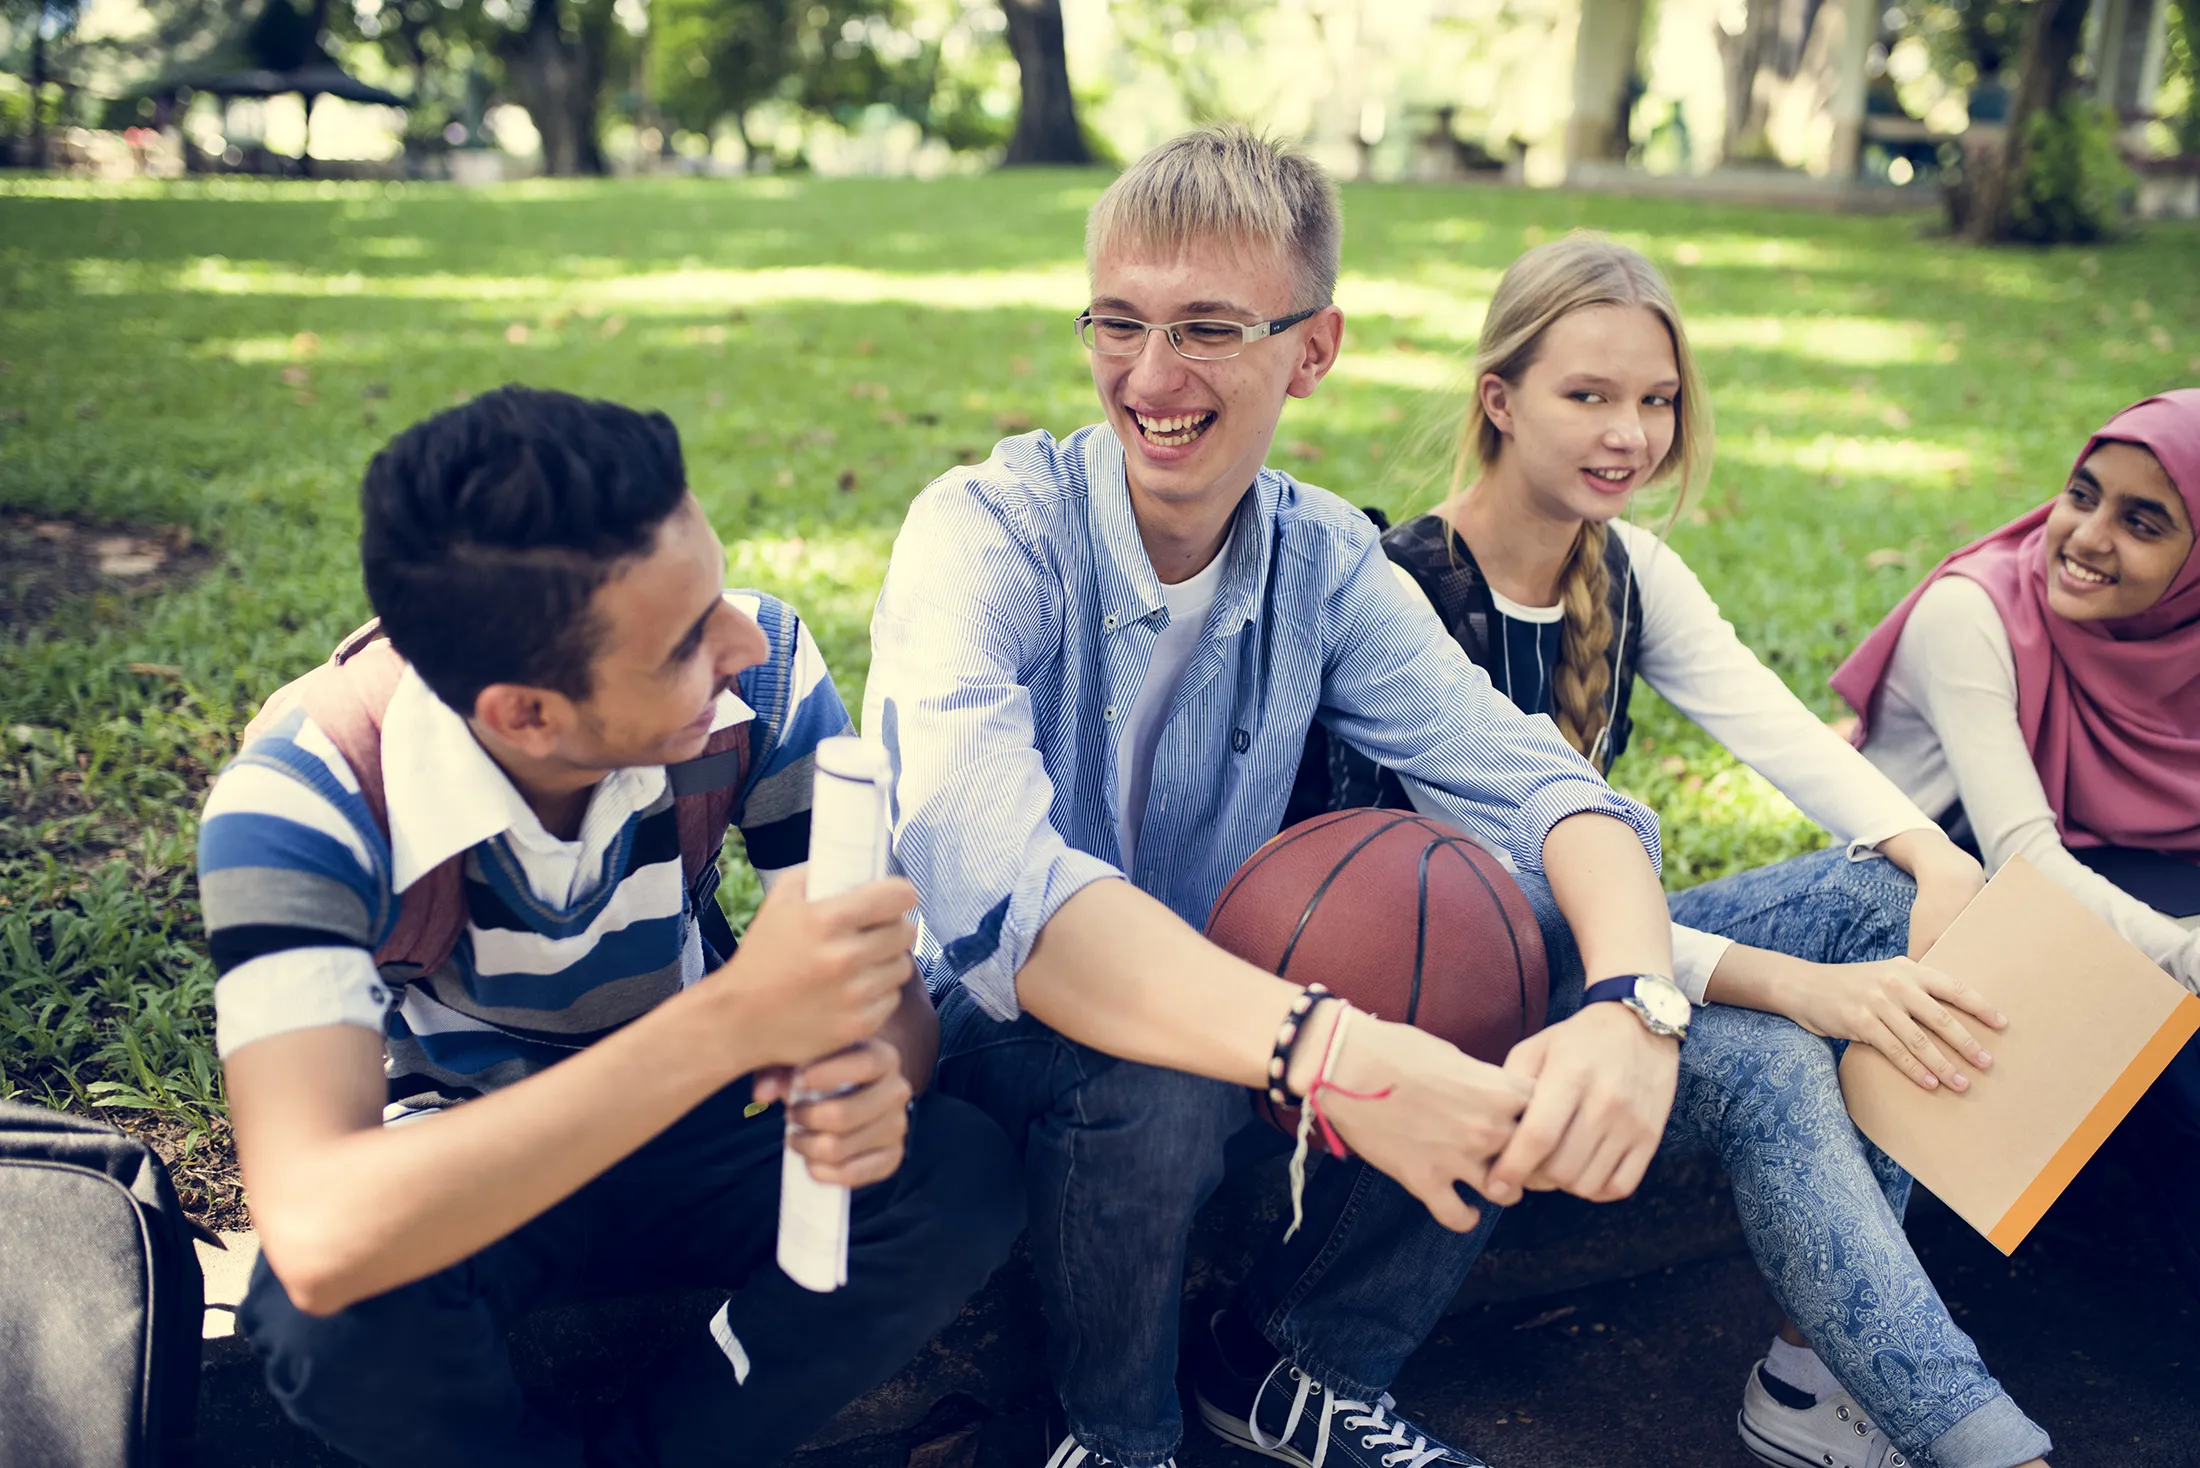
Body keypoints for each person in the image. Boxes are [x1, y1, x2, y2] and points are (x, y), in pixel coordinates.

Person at [865, 125, 1688, 1468]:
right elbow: (997, 889)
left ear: (1313, 349)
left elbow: (1540, 785)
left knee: (1500, 928)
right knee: (1150, 1068)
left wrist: (1635, 1008)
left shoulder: (1326, 560)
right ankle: (1116, 1437)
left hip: (1249, 1035)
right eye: (1118, 322)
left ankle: (1296, 1361)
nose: (1150, 377)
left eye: (1207, 330)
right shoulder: (986, 532)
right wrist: (1337, 1051)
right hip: (988, 1038)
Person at [1301, 233, 2052, 1468]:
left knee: (1878, 895)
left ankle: (1815, 1371)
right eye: (1588, 395)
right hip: (1465, 990)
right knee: (1771, 1056)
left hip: (1611, 959)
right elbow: (1528, 907)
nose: (1629, 434)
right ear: (1499, 400)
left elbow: (1778, 730)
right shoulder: (1406, 593)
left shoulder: (1628, 571)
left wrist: (1932, 855)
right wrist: (1787, 984)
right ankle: (1973, 1435)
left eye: (1655, 401)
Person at [198, 386, 1022, 1468]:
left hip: (707, 1132)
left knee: (957, 1172)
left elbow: (890, 1013)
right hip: (465, 1147)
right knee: (330, 1317)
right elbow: (315, 1229)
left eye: (717, 591)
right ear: (526, 714)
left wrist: (870, 1079)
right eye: (684, 641)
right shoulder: (302, 800)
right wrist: (730, 1022)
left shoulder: (765, 674)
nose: (741, 638)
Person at [1833, 389, 2200, 1296]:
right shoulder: (1973, 613)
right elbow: (2023, 860)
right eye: (2084, 494)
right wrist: (2188, 957)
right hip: (1935, 892)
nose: (2086, 536)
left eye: (2142, 521)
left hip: (2097, 880)